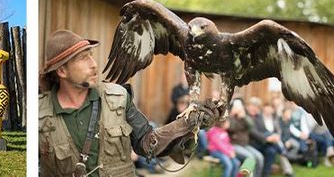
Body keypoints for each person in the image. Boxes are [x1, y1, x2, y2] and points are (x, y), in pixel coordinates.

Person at [39, 30, 219, 177]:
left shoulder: (118, 97)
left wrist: (187, 124)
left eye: (91, 55)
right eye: (82, 58)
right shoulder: (38, 113)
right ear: (62, 70)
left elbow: (146, 142)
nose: (94, 64)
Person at [227, 100, 263, 176]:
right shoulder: (229, 117)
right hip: (234, 145)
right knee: (250, 157)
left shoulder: (245, 117)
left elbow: (251, 125)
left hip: (244, 145)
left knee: (260, 157)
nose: (238, 109)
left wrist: (244, 117)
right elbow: (231, 128)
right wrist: (233, 115)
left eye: (240, 107)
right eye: (236, 107)